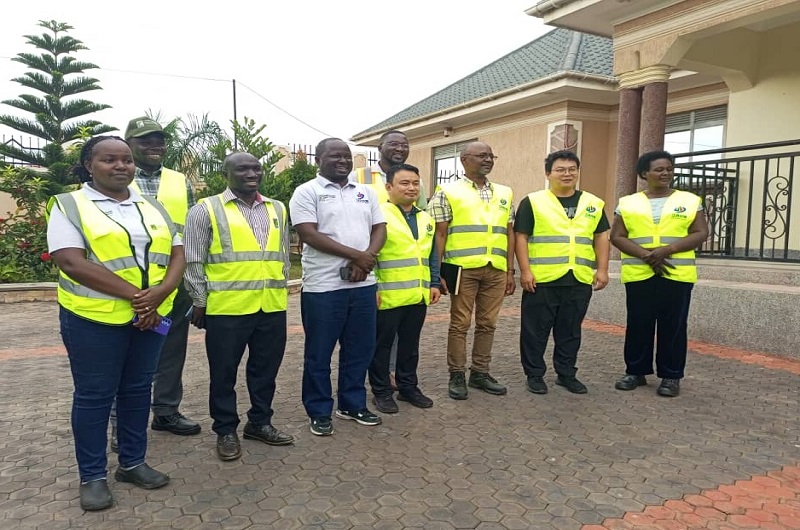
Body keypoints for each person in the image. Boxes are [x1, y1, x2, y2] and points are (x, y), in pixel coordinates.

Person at [46, 136, 184, 510]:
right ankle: (92, 476)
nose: (121, 166)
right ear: (89, 164)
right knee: (94, 396)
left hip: (151, 316)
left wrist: (160, 294)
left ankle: (132, 462)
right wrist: (139, 297)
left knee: (138, 390)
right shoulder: (69, 205)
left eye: (126, 160)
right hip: (94, 319)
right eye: (109, 159)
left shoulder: (151, 205)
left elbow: (177, 252)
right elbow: (71, 261)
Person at [183, 152, 293, 461]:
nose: (251, 173)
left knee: (265, 371)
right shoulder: (205, 210)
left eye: (256, 168)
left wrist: (281, 286)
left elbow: (283, 254)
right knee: (224, 373)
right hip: (227, 308)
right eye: (242, 168)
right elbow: (193, 260)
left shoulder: (277, 208)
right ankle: (226, 430)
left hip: (270, 306)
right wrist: (200, 302)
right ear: (225, 173)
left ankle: (260, 422)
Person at [106, 117, 199, 449]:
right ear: (129, 143)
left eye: (159, 140)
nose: (154, 146)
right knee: (125, 357)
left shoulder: (179, 181)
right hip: (125, 288)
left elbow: (187, 235)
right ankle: (123, 427)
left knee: (169, 349)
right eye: (145, 141)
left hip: (170, 288)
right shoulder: (112, 179)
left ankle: (166, 412)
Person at [289, 138, 387, 436]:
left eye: (346, 156)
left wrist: (365, 260)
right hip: (324, 287)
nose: (343, 161)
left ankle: (351, 404)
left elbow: (379, 228)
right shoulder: (307, 192)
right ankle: (319, 410)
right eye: (335, 156)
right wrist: (358, 256)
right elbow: (308, 234)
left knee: (360, 349)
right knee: (319, 353)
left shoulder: (365, 192)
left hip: (363, 283)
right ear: (318, 159)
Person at [610, 150, 709, 397]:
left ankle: (671, 376)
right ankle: (635, 371)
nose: (665, 173)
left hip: (676, 274)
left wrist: (667, 250)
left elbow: (700, 233)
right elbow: (617, 236)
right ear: (644, 174)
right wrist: (647, 255)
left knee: (673, 326)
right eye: (659, 169)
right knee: (638, 323)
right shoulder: (628, 202)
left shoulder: (689, 200)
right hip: (639, 273)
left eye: (669, 169)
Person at [514, 150, 610, 395]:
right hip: (542, 279)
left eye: (572, 169)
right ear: (548, 174)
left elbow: (601, 237)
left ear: (578, 172)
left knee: (570, 331)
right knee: (535, 331)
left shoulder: (593, 203)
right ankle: (534, 374)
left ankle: (566, 374)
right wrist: (525, 271)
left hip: (578, 278)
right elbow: (521, 237)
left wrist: (602, 269)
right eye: (560, 169)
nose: (567, 174)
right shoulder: (533, 202)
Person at [427, 141, 515, 400]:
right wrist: (438, 271)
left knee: (488, 323)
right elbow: (439, 235)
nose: (488, 160)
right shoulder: (447, 191)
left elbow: (509, 233)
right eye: (481, 156)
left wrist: (511, 271)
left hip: (495, 269)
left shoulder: (505, 192)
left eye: (491, 155)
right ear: (464, 160)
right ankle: (457, 374)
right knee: (460, 323)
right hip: (462, 269)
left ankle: (480, 373)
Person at [353, 129, 426, 391]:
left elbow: (420, 225)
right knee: (378, 337)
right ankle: (377, 383)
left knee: (406, 338)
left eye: (404, 144)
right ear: (379, 146)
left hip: (410, 284)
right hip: (373, 268)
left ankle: (399, 379)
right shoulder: (360, 176)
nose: (399, 148)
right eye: (393, 143)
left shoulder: (415, 182)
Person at [368, 163, 440, 413]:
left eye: (415, 183)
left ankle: (408, 387)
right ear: (389, 187)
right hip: (387, 295)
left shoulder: (425, 217)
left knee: (410, 345)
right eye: (404, 183)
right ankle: (381, 391)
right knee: (381, 346)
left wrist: (434, 282)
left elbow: (431, 254)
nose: (411, 188)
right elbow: (370, 254)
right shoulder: (378, 216)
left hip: (418, 295)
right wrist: (372, 286)